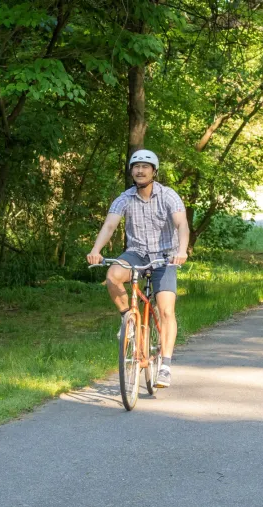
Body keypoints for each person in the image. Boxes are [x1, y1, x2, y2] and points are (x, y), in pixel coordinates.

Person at [87, 150, 189, 388]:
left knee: (165, 311)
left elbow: (181, 224)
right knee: (112, 276)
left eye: (145, 166)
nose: (140, 171)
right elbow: (110, 225)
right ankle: (128, 322)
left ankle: (164, 365)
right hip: (136, 253)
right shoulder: (125, 198)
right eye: (136, 167)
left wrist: (181, 250)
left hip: (165, 257)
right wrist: (96, 250)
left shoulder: (168, 196)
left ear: (154, 171)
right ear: (131, 171)